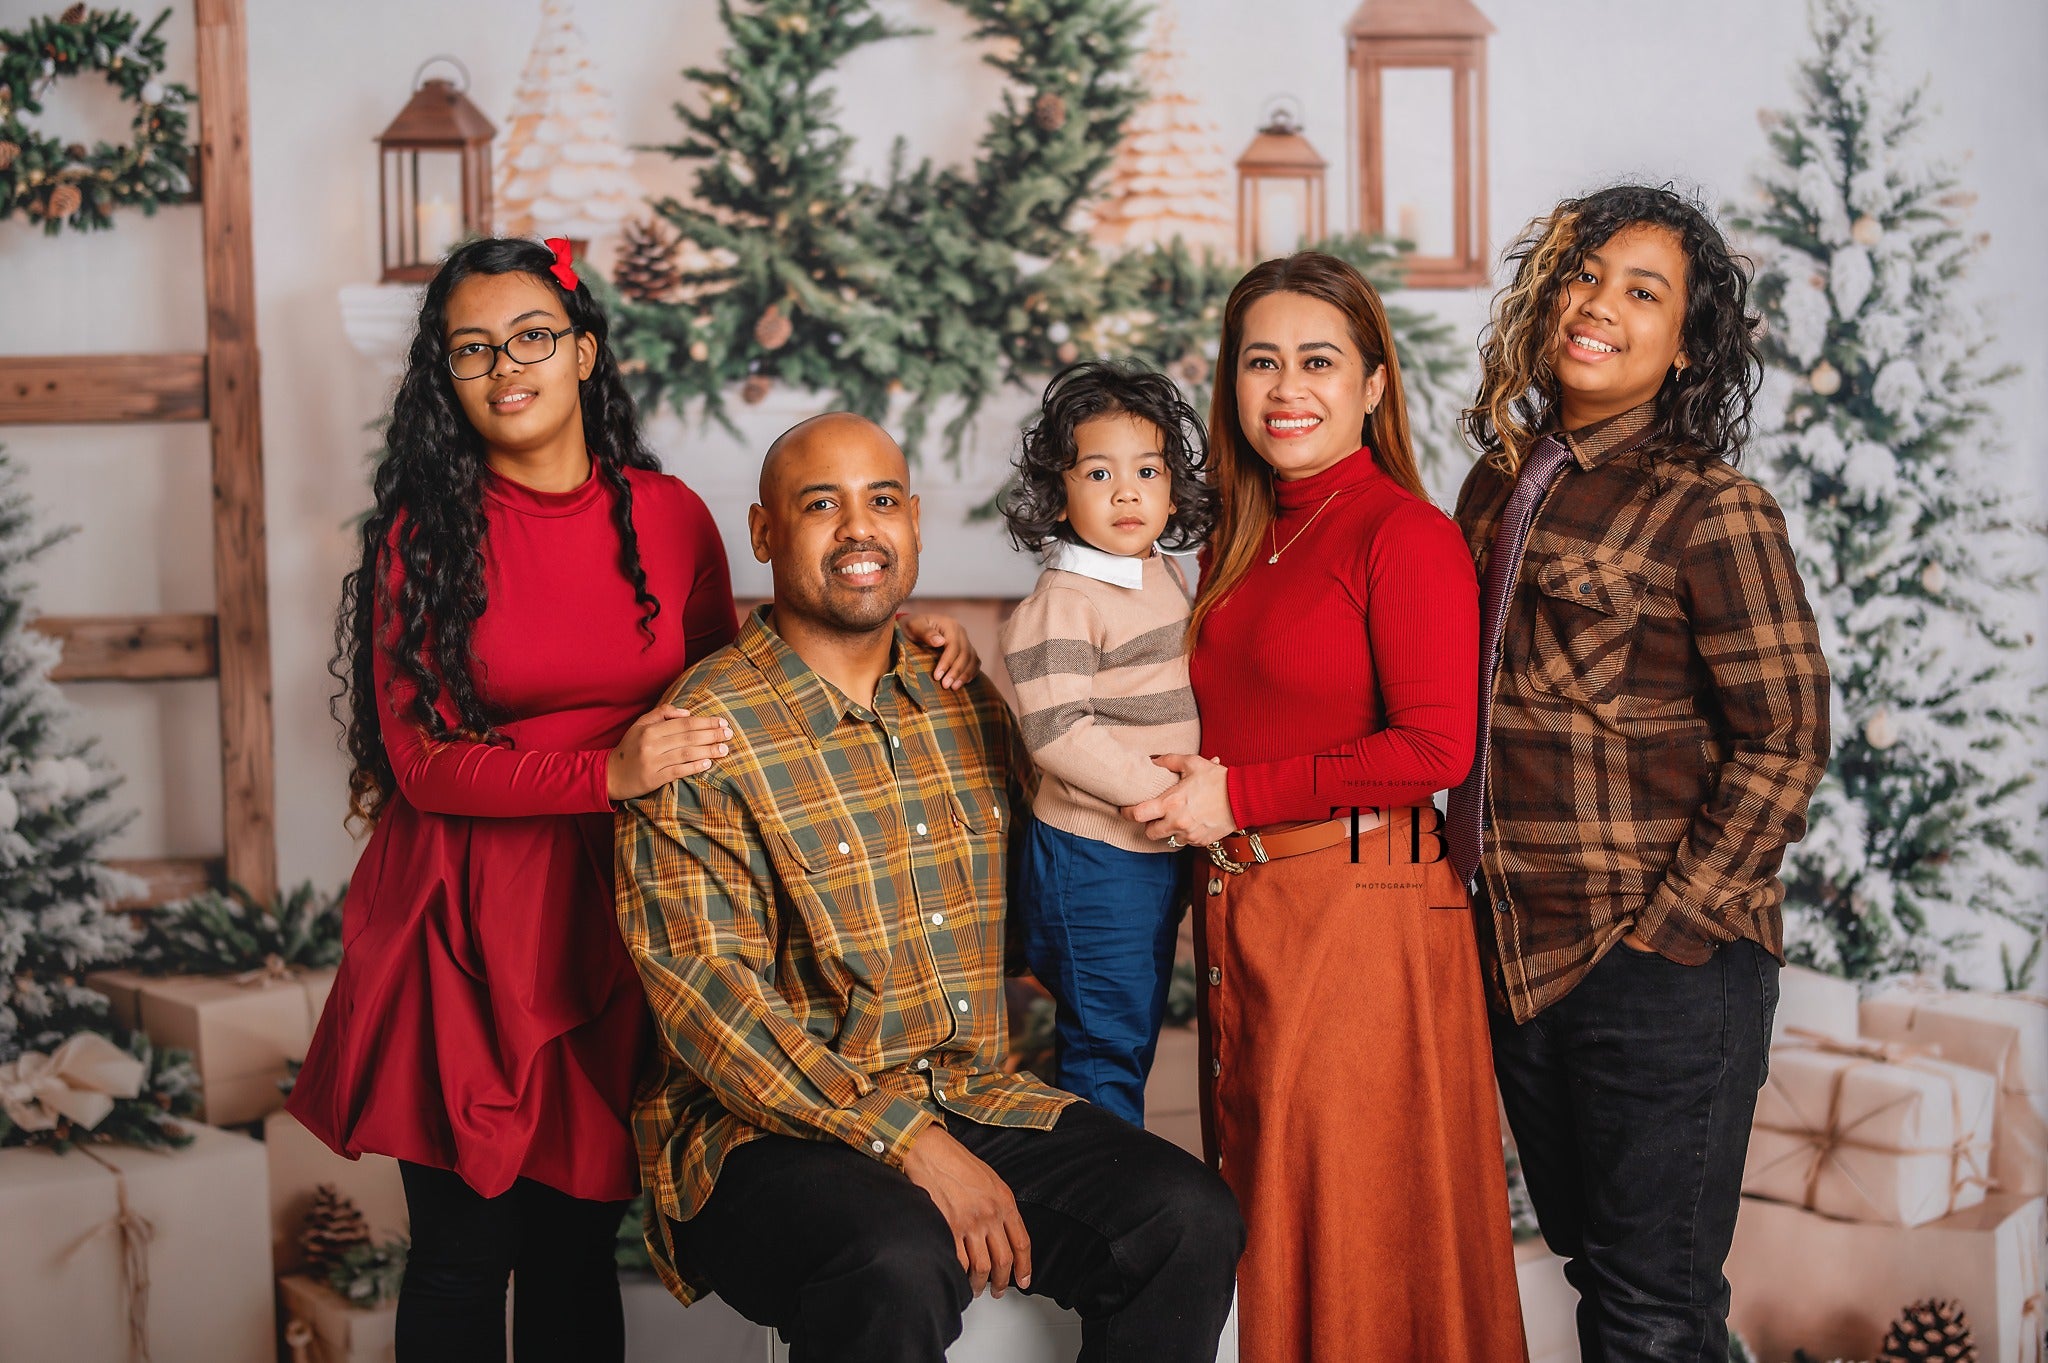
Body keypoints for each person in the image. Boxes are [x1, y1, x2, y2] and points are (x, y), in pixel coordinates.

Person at [289, 237, 979, 1363]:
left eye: (529, 338)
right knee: (463, 1252)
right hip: (464, 927)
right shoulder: (428, 532)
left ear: (582, 353)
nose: (505, 366)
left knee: (573, 1246)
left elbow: (743, 688)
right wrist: (602, 772)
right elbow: (421, 763)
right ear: (444, 378)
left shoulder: (667, 517)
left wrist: (890, 635)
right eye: (471, 350)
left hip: (625, 917)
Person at [613, 412, 1244, 1363]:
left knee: (1185, 1217)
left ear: (913, 524)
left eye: (881, 502)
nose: (857, 529)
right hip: (762, 1135)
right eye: (820, 504)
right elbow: (712, 1004)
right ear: (763, 533)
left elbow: (1055, 875)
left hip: (968, 1094)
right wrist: (908, 1143)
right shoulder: (701, 731)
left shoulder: (961, 696)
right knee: (896, 1261)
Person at [1446, 184, 1831, 1361]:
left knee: (1649, 1303)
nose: (1595, 304)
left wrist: (1669, 927)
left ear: (1685, 344)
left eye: (1639, 290)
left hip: (1656, 969)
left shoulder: (1713, 511)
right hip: (1517, 954)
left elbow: (1786, 738)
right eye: (1581, 272)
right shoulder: (1492, 487)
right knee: (1606, 1272)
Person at [1126, 252, 1527, 1362]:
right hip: (1248, 922)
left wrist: (1237, 794)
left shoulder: (1400, 533)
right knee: (1271, 1235)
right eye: (1260, 362)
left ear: (1372, 383)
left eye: (1316, 361)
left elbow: (1436, 747)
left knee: (1357, 1243)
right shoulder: (1235, 542)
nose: (1285, 388)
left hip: (1365, 926)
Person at [995, 360, 1216, 1125]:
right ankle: (1102, 1203)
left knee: (1131, 1027)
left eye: (1148, 469)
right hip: (1094, 856)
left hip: (1151, 849)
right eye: (1099, 471)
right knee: (1104, 1046)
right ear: (1059, 493)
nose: (1128, 492)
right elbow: (1057, 732)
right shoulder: (1064, 599)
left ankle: (1112, 1184)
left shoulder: (1159, 571)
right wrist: (1164, 796)